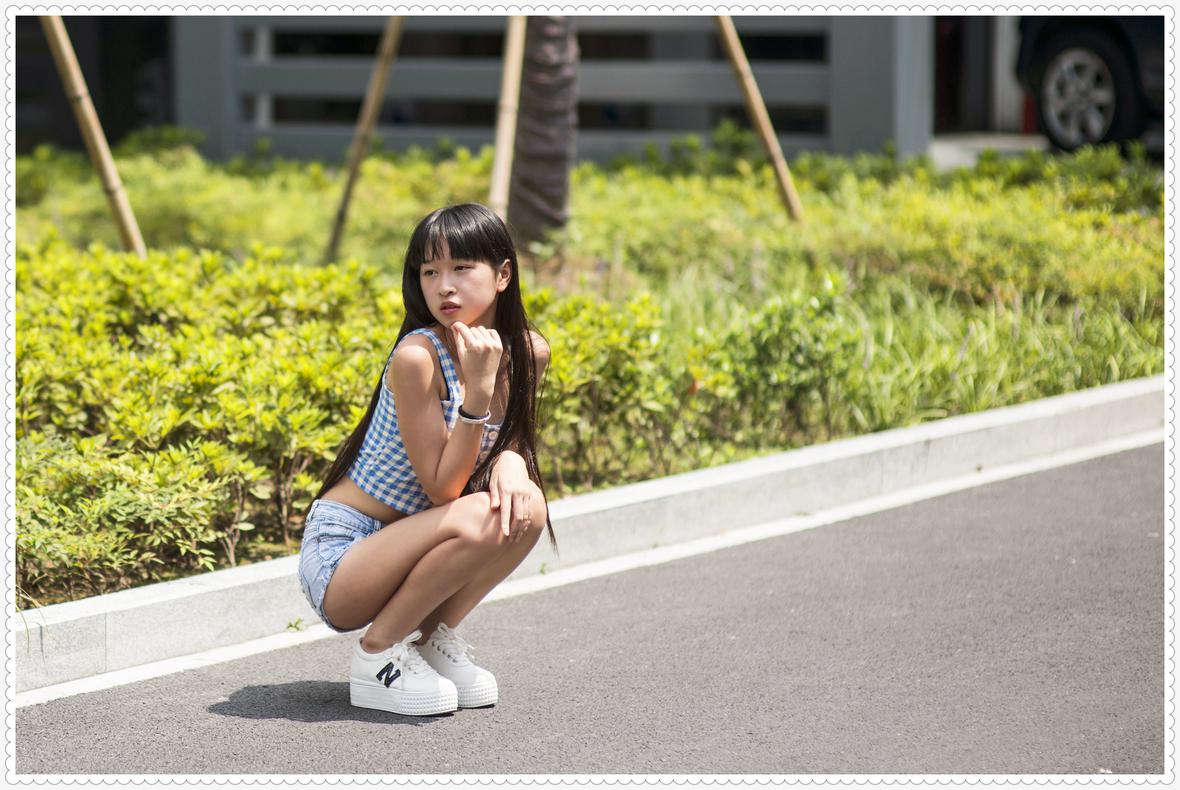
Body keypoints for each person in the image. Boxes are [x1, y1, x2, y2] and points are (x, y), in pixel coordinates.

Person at [297, 203, 555, 716]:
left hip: (419, 538)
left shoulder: (530, 352)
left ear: (503, 274)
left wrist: (513, 460)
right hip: (346, 557)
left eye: (462, 268)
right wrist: (476, 393)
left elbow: (509, 440)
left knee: (528, 509)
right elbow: (443, 490)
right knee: (481, 515)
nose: (444, 287)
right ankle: (376, 657)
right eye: (430, 272)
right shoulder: (417, 357)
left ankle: (430, 640)